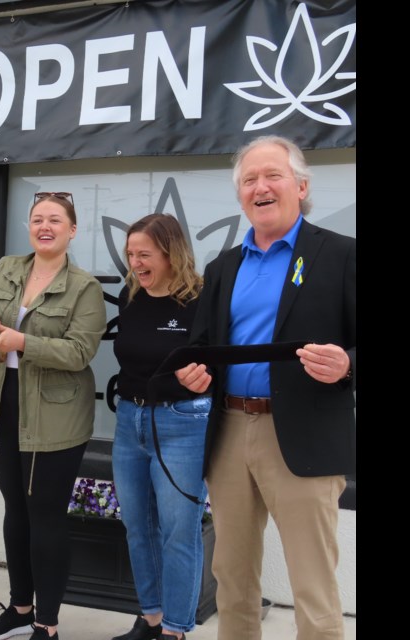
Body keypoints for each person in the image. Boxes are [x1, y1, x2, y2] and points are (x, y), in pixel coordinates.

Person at [176, 135, 355, 640]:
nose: (261, 186)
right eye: (249, 179)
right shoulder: (222, 267)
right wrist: (193, 374)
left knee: (312, 585)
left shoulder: (340, 255)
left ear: (300, 185)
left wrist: (346, 365)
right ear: (240, 196)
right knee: (231, 577)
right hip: (230, 431)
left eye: (272, 175)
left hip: (303, 435)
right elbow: (202, 347)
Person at [0, 192, 106, 640]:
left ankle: (47, 623)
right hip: (2, 405)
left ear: (72, 230)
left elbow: (81, 352)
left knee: (44, 514)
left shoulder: (85, 287)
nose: (45, 226)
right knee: (15, 511)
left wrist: (21, 343)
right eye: (38, 219)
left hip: (55, 416)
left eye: (55, 220)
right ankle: (21, 607)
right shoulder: (8, 267)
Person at [110, 213, 208, 640]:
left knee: (178, 532)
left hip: (182, 423)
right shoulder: (130, 297)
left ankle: (175, 630)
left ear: (170, 253)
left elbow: (217, 364)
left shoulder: (201, 301)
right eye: (131, 254)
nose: (135, 262)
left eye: (144, 254)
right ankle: (150, 619)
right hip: (130, 422)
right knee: (136, 526)